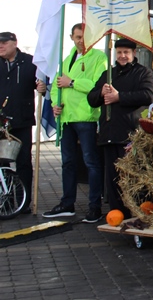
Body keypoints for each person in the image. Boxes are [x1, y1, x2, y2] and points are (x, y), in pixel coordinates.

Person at [42, 24, 107, 223]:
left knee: (91, 163)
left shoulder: (99, 57)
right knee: (68, 163)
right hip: (67, 118)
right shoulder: (68, 58)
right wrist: (55, 104)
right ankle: (67, 204)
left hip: (86, 118)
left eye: (85, 37)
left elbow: (97, 85)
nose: (81, 41)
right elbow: (56, 86)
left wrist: (71, 83)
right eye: (78, 37)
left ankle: (94, 207)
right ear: (71, 37)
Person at [88, 38, 153, 218]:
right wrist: (100, 93)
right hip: (109, 134)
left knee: (133, 177)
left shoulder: (143, 73)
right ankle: (117, 214)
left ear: (134, 53)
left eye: (126, 52)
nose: (122, 56)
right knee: (113, 179)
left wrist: (120, 97)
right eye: (119, 52)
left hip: (131, 134)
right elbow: (91, 99)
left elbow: (148, 95)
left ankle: (138, 214)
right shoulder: (108, 74)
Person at [0, 32, 46, 213]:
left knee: (23, 162)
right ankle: (5, 199)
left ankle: (23, 201)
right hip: (1, 122)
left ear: (14, 43)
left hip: (22, 120)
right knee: (2, 162)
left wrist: (42, 86)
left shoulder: (30, 62)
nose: (1, 46)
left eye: (4, 43)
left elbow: (43, 83)